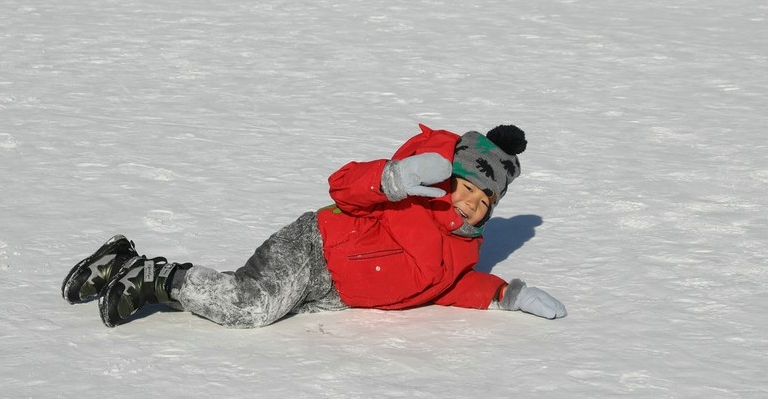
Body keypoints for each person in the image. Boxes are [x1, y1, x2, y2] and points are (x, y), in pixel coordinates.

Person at [62, 124, 567, 328]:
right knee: (251, 307)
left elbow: (450, 287)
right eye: (467, 187)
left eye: (484, 200)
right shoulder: (411, 199)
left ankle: (122, 263)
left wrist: (506, 294)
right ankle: (155, 276)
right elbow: (343, 187)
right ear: (449, 177)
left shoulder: (465, 249)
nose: (471, 204)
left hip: (333, 295)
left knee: (238, 299)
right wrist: (391, 179)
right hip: (315, 248)